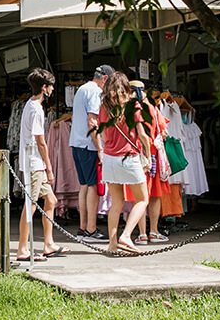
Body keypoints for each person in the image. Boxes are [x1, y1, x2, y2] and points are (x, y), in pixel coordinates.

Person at [95, 71, 152, 254]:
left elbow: (102, 135)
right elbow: (142, 135)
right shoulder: (132, 105)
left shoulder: (104, 108)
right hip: (129, 157)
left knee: (116, 202)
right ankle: (126, 235)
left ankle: (112, 245)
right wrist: (149, 156)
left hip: (110, 158)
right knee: (142, 199)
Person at [17, 68, 69, 262]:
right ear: (44, 88)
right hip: (35, 162)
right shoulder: (37, 109)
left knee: (51, 201)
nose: (53, 89)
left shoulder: (29, 105)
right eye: (51, 86)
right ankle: (23, 249)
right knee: (30, 204)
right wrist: (49, 167)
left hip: (32, 161)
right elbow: (41, 141)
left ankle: (48, 244)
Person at [68, 64, 115, 243]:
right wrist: (101, 148)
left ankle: (83, 228)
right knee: (93, 186)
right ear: (104, 79)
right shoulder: (95, 92)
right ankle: (91, 229)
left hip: (77, 143)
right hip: (89, 145)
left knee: (85, 186)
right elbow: (92, 121)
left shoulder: (81, 89)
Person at [126, 80, 172, 244]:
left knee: (139, 196)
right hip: (153, 154)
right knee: (154, 195)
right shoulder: (153, 108)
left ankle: (142, 234)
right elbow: (164, 132)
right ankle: (154, 231)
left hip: (136, 155)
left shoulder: (129, 108)